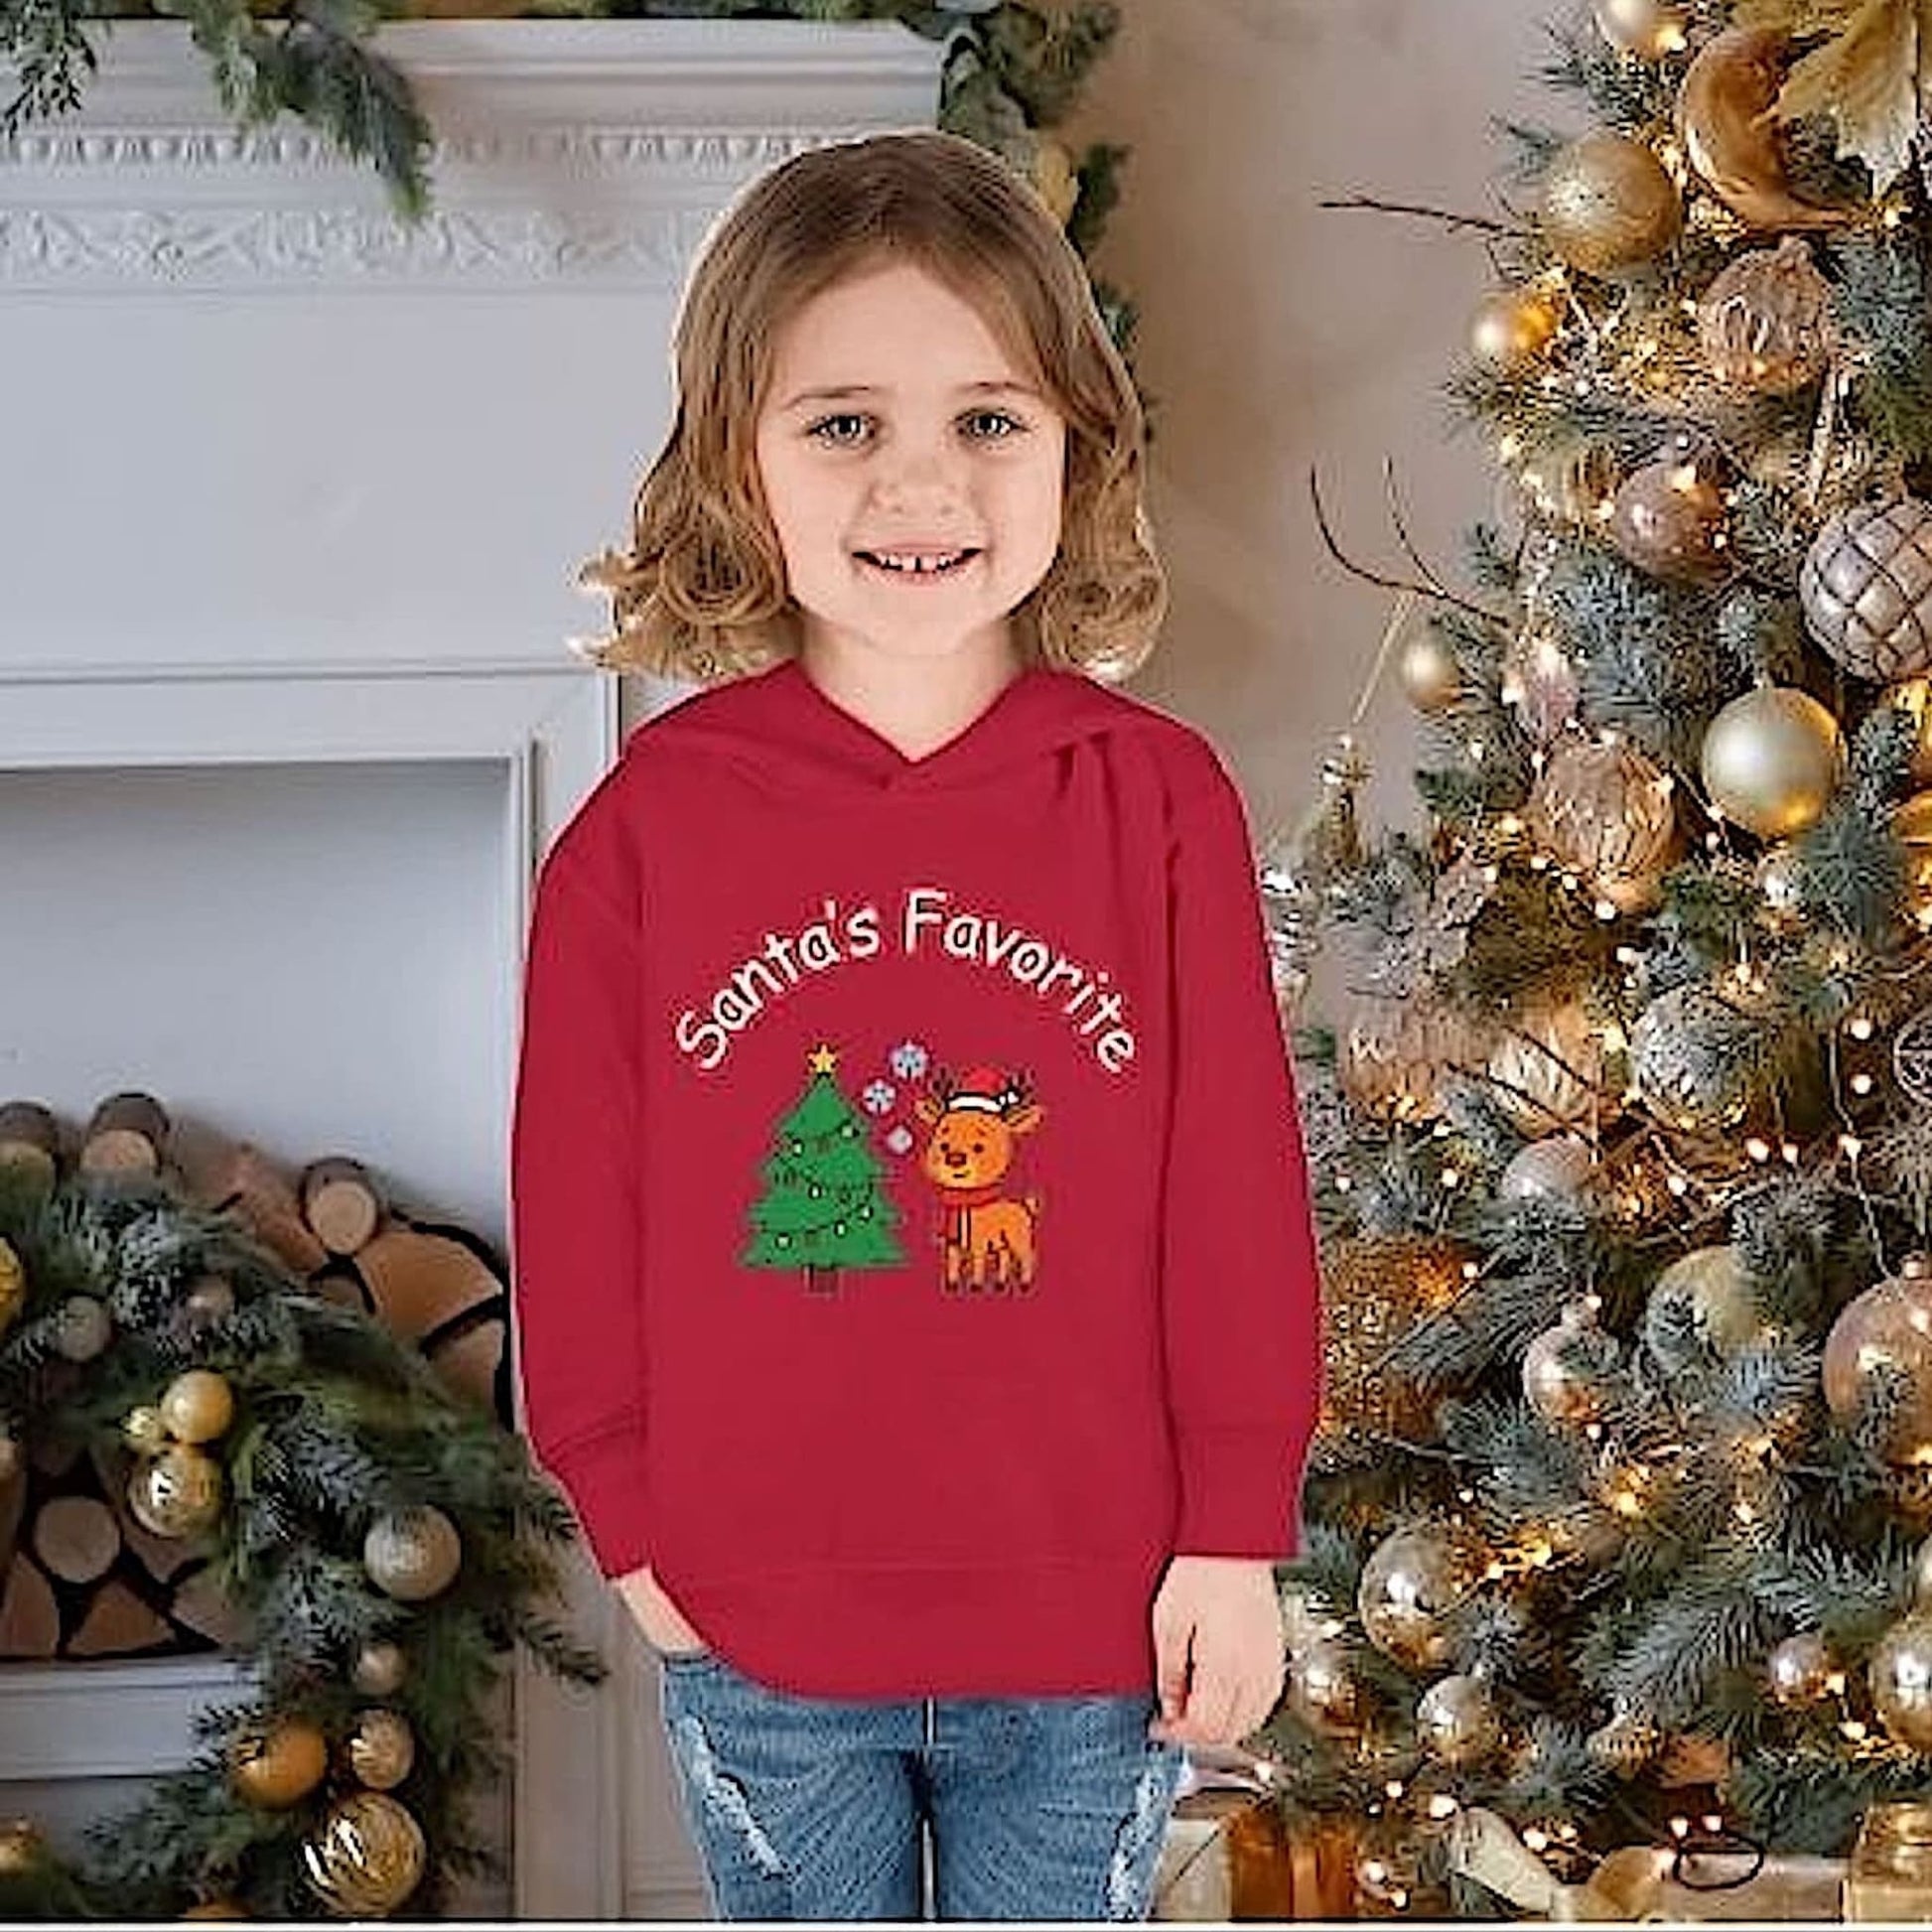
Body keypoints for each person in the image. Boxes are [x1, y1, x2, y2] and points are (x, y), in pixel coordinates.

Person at [509, 125, 1324, 1922]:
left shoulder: (1156, 803)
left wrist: (1233, 1531)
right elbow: (581, 1204)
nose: (920, 484)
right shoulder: (651, 827)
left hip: (1099, 1627)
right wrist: (632, 1526)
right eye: (843, 422)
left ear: (1071, 450)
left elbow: (1236, 1197)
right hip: (760, 1619)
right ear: (740, 461)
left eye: (986, 419)